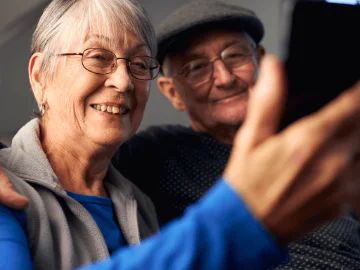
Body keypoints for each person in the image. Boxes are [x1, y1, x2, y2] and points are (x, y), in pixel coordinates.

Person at [1, 0, 360, 270]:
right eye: (97, 57)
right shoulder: (159, 154)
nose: (124, 81)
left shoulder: (138, 200)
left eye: (139, 64)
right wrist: (241, 222)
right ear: (40, 76)